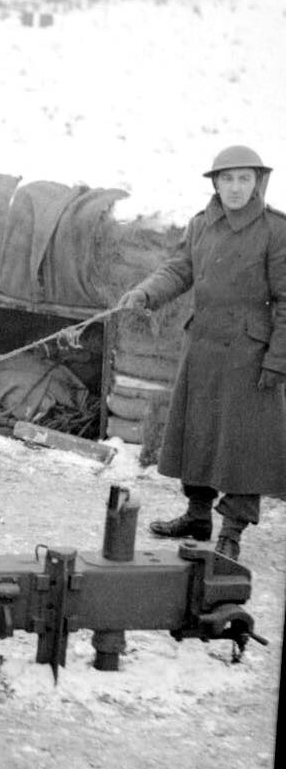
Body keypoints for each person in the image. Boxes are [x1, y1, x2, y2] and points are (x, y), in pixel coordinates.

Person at [116, 145, 286, 559]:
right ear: (215, 183)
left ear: (258, 182)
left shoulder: (275, 230)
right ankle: (197, 514)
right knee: (198, 432)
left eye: (244, 178)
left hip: (250, 355)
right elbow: (179, 269)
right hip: (204, 347)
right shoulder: (201, 225)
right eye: (227, 178)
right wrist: (144, 293)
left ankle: (232, 529)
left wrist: (278, 360)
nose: (235, 187)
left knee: (244, 444)